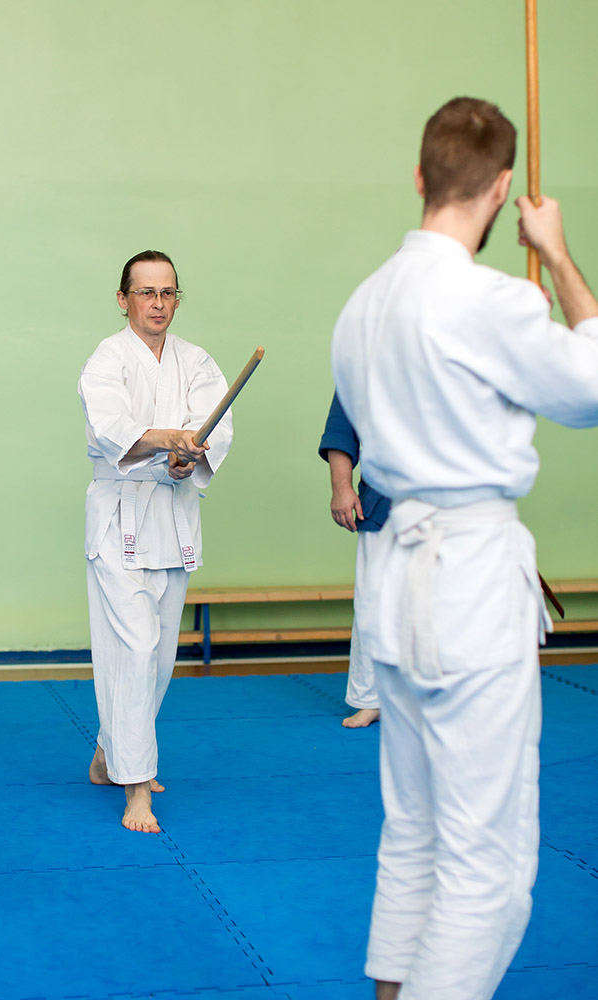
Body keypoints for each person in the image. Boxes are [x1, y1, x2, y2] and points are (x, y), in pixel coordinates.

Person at [331, 97, 598, 1000]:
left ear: (418, 175)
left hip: (396, 580)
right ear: (502, 187)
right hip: (471, 583)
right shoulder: (490, 300)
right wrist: (556, 251)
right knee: (489, 867)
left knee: (413, 833)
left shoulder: (363, 305)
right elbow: (593, 387)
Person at [78, 250, 232, 834]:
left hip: (173, 517)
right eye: (146, 292)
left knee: (161, 655)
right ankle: (137, 787)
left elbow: (215, 428)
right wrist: (171, 440)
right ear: (124, 299)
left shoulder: (197, 361)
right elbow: (111, 429)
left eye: (168, 292)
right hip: (118, 518)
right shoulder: (107, 359)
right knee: (136, 649)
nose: (159, 303)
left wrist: (187, 458)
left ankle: (108, 752)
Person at [319, 392, 389, 727]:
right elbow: (342, 426)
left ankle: (448, 696)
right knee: (375, 603)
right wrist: (341, 486)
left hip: (452, 503)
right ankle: (371, 698)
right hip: (386, 499)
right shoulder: (363, 362)